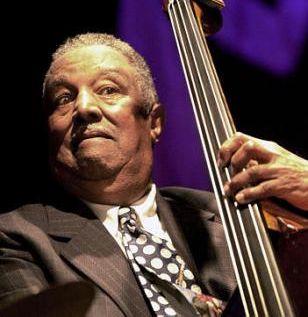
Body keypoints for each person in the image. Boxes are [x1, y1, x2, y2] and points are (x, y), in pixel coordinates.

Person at [0, 33, 307, 317]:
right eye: (63, 99)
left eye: (108, 90)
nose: (84, 107)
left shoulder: (232, 218)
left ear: (154, 122)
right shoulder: (17, 236)